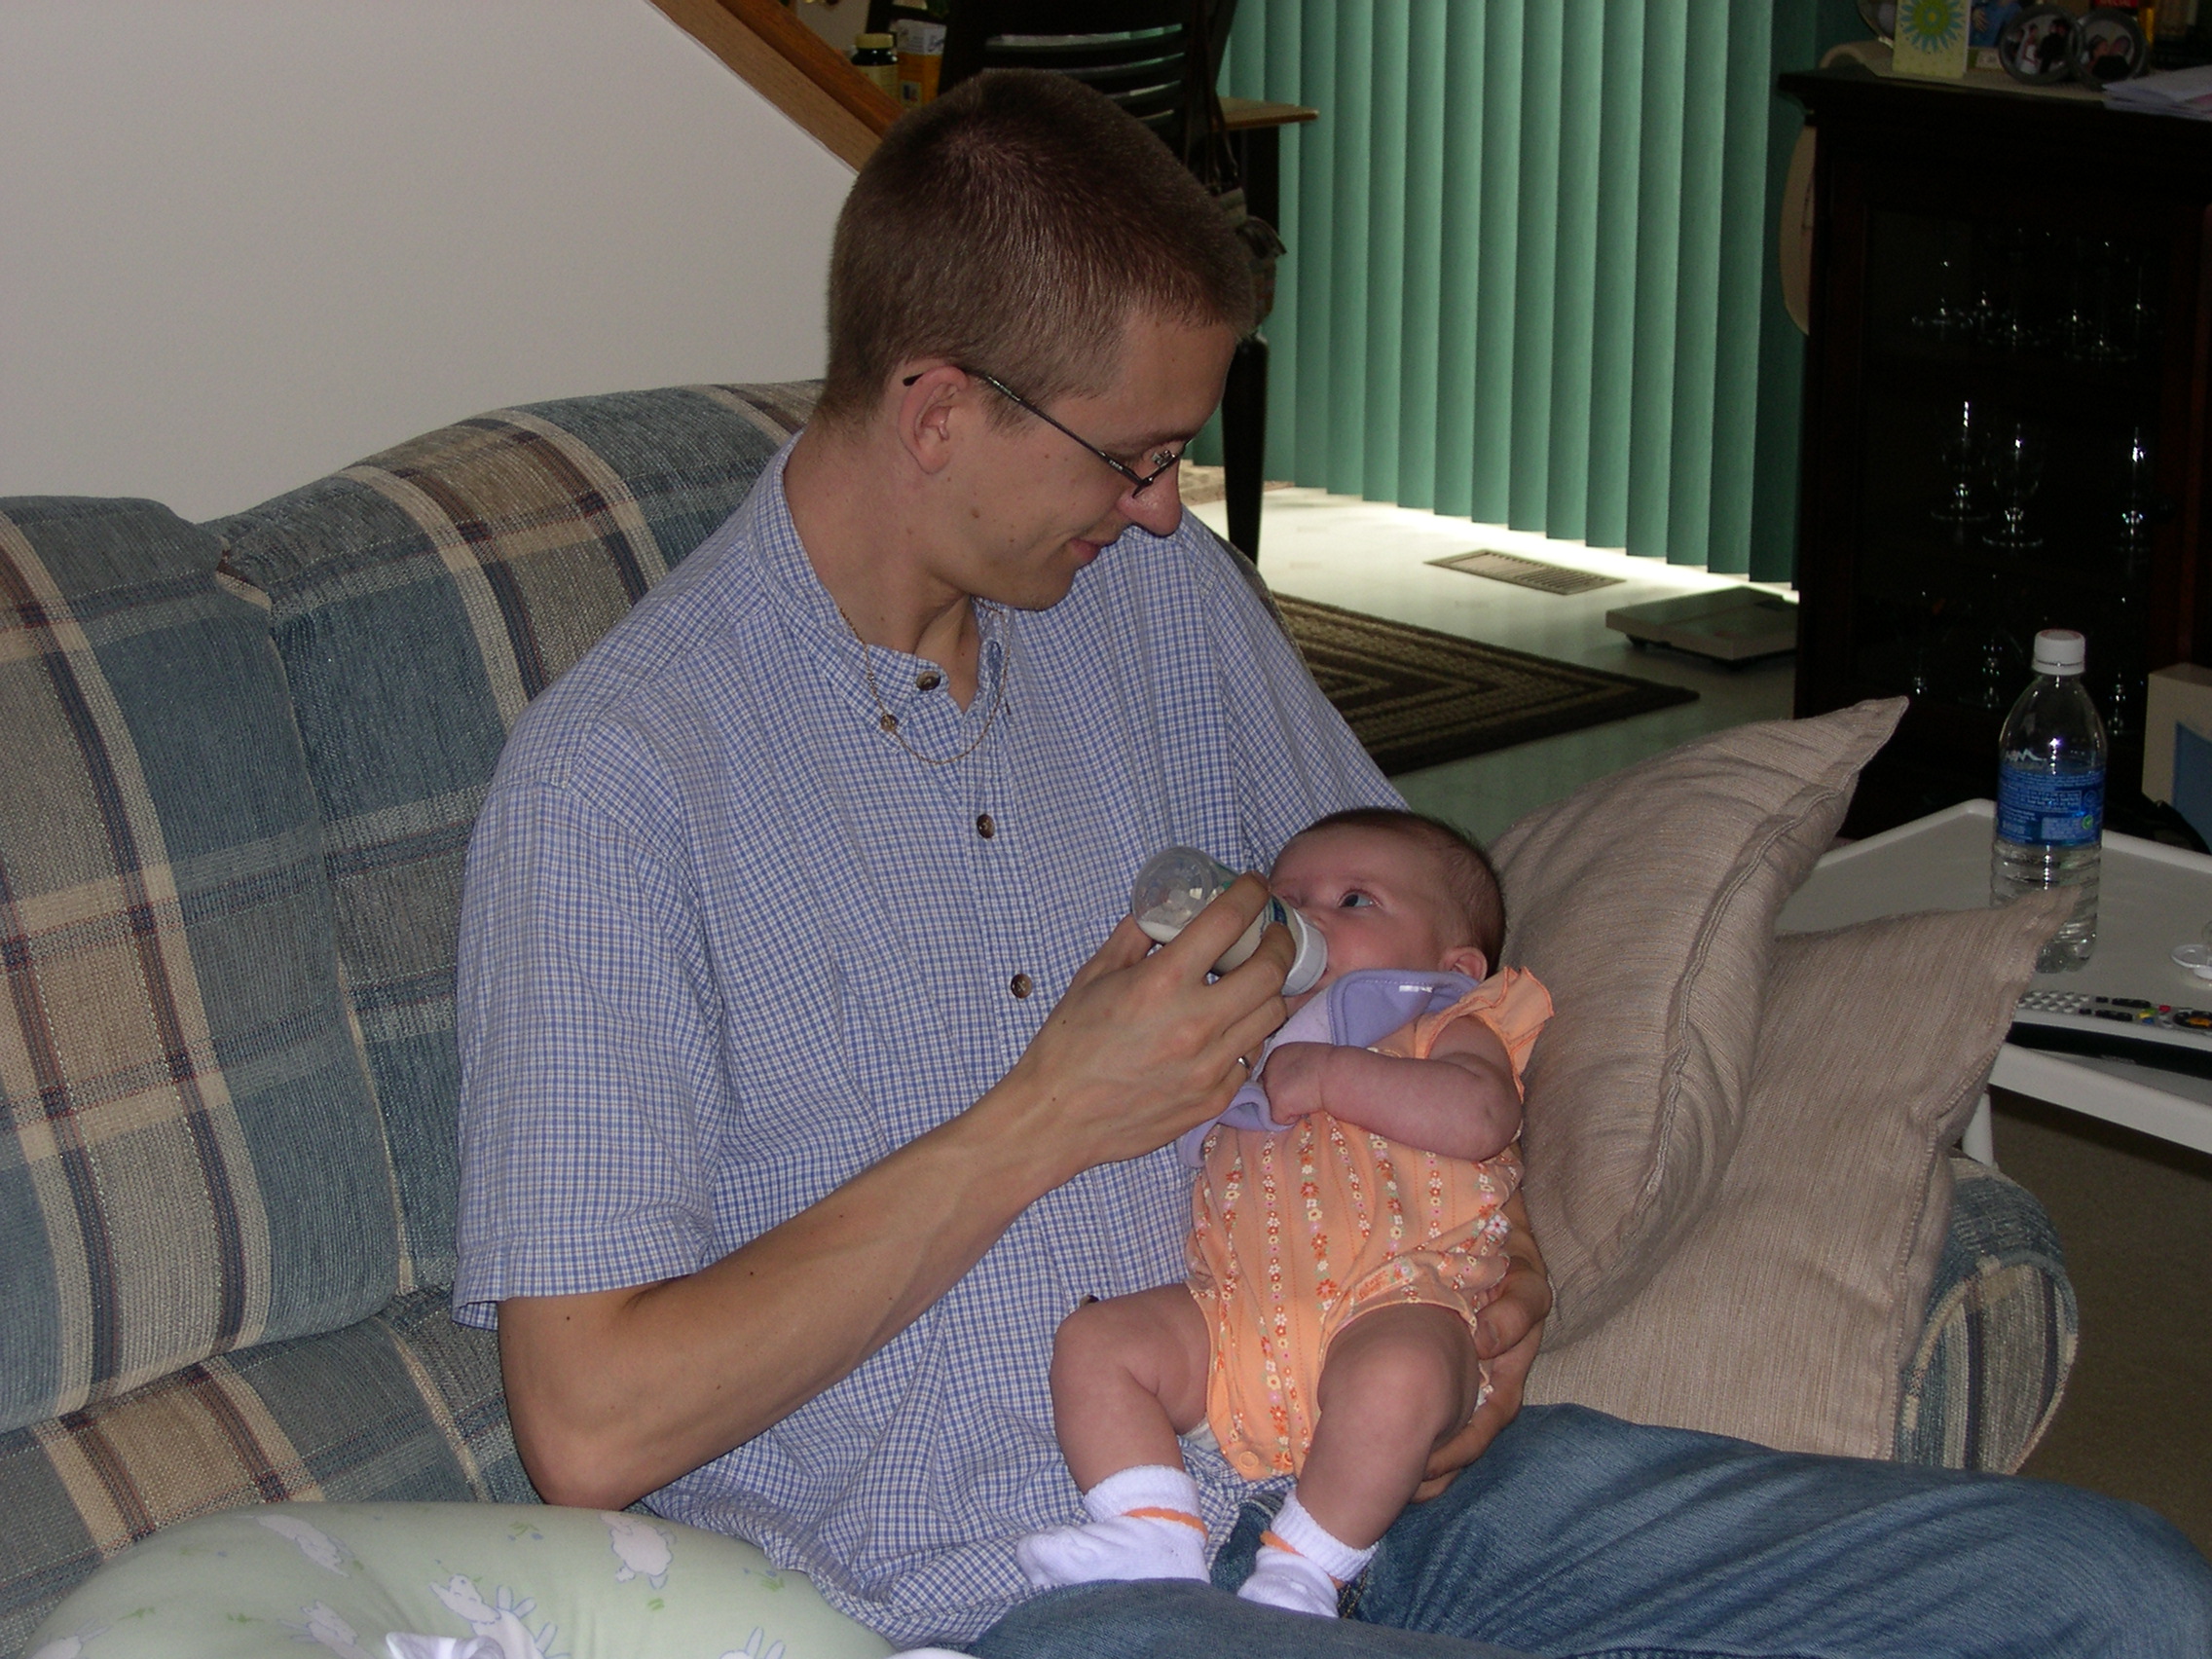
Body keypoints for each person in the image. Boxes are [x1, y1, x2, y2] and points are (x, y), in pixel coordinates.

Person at [452, 66, 2212, 1659]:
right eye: (1133, 456)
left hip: (1365, 1482)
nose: (1162, 505)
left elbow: (1435, 960)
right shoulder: (621, 791)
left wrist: (1492, 1278)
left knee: (2122, 1597)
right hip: (1022, 1591)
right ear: (932, 409)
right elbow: (590, 1420)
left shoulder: (1154, 608)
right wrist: (1046, 1113)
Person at [1018, 810, 1551, 1619]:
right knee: (1097, 1344)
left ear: (1456, 961)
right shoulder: (1248, 1040)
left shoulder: (1446, 1022)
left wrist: (1337, 1079)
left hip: (1399, 1300)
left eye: (1354, 901)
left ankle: (1301, 1572)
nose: (1309, 922)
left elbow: (1482, 1119)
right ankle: (1148, 1531)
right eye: (1291, 901)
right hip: (1235, 1320)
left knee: (1398, 1378)